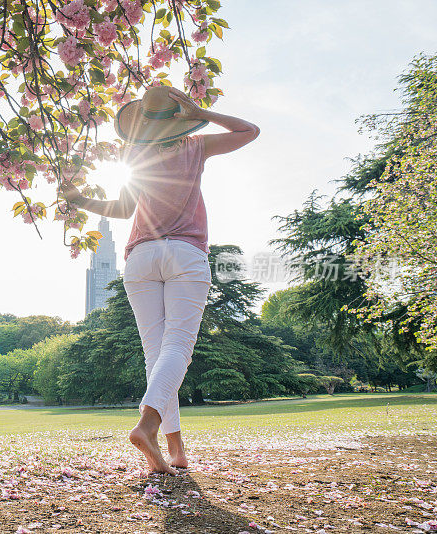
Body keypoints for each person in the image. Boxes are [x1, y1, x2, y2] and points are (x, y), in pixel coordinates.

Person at [61, 86, 259, 474]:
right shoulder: (196, 146)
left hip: (141, 258)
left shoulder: (138, 154)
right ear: (180, 119)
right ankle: (147, 427)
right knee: (177, 348)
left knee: (158, 356)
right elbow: (249, 131)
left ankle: (177, 449)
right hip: (185, 253)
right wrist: (201, 111)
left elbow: (122, 208)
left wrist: (79, 199)